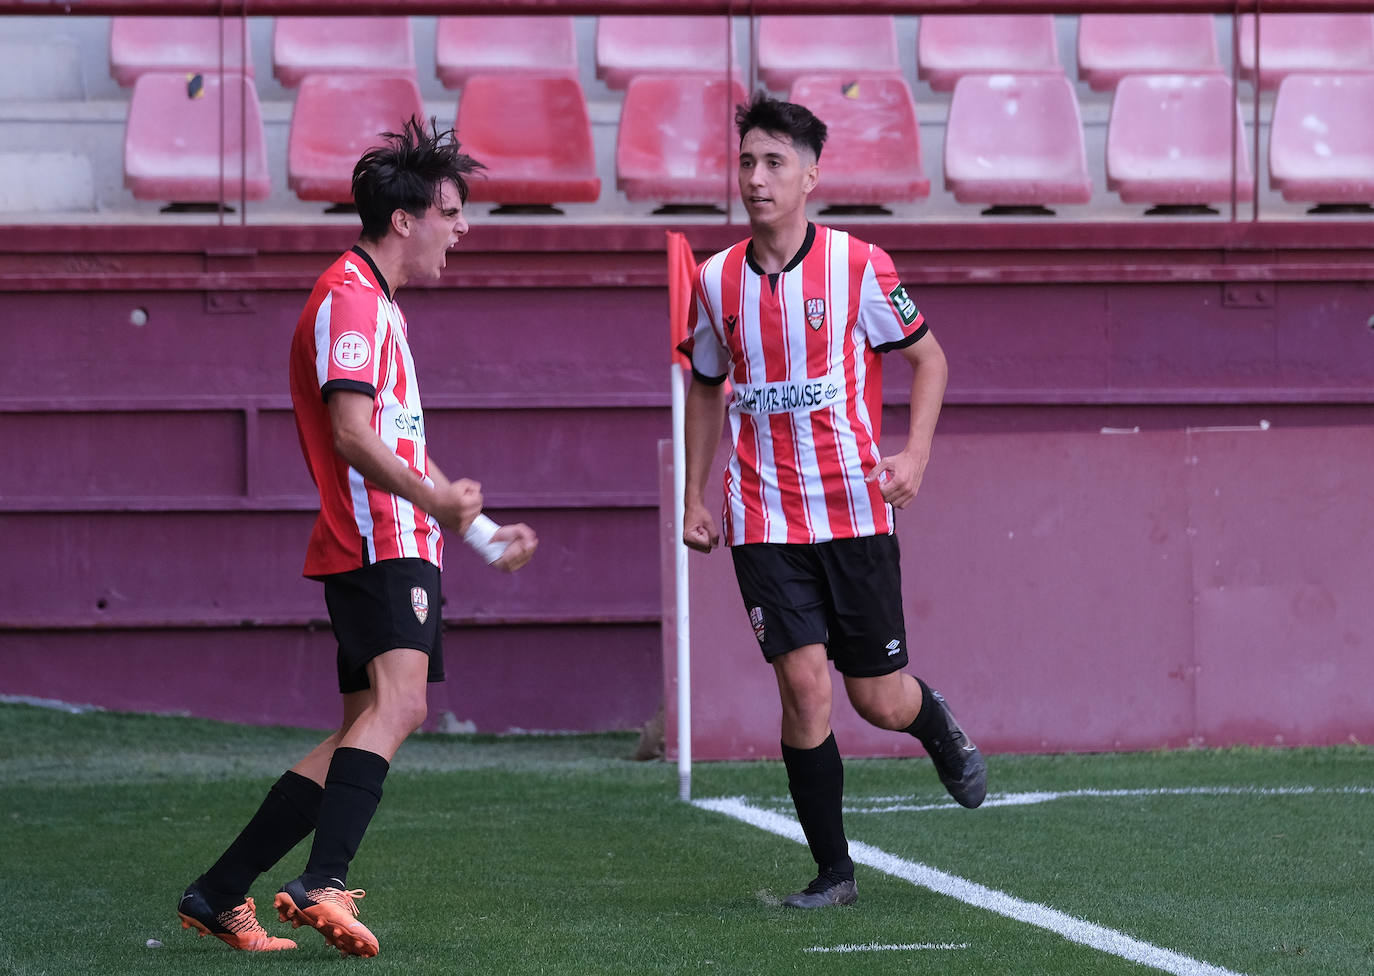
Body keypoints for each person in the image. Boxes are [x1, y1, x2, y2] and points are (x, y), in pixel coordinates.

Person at [175, 117, 537, 957]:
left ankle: (219, 892)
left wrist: (475, 529)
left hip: (394, 534)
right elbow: (352, 435)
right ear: (404, 218)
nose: (463, 229)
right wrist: (439, 509)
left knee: (360, 729)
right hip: (380, 539)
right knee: (402, 705)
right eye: (451, 211)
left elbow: (395, 441)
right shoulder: (351, 297)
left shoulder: (376, 303)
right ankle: (321, 880)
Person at [681, 93, 987, 910]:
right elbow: (705, 387)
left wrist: (915, 454)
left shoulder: (859, 266)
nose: (756, 177)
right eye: (747, 161)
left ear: (812, 175)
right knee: (805, 688)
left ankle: (936, 725)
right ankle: (834, 873)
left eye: (774, 161)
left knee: (876, 697)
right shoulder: (712, 282)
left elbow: (932, 362)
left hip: (854, 509)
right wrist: (693, 495)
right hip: (763, 520)